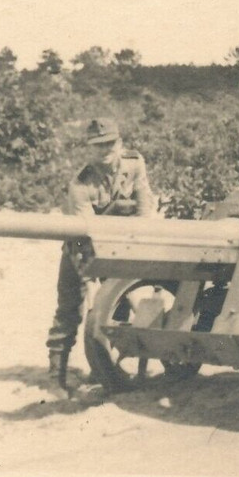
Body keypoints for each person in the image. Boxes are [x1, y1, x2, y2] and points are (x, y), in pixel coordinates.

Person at [45, 118, 157, 399]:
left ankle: (104, 366)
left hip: (121, 245)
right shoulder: (81, 184)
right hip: (81, 247)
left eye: (109, 144)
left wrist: (140, 245)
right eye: (97, 146)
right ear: (89, 148)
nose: (104, 150)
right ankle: (55, 379)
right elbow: (90, 233)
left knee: (118, 303)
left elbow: (145, 208)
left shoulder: (134, 164)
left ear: (119, 143)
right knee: (69, 310)